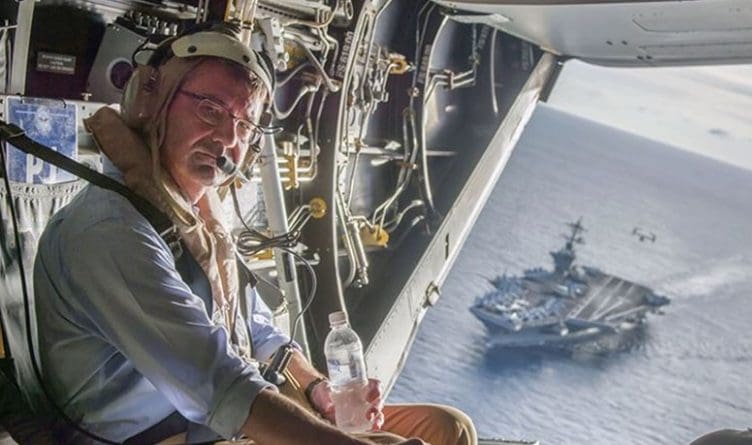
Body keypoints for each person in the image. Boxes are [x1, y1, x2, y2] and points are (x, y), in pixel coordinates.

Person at [33, 25, 476, 445]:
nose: (227, 137)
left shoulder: (197, 219)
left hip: (218, 422)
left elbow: (253, 326)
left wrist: (316, 386)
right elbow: (220, 385)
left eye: (244, 125)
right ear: (151, 99)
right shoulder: (114, 231)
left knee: (446, 428)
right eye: (210, 110)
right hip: (162, 435)